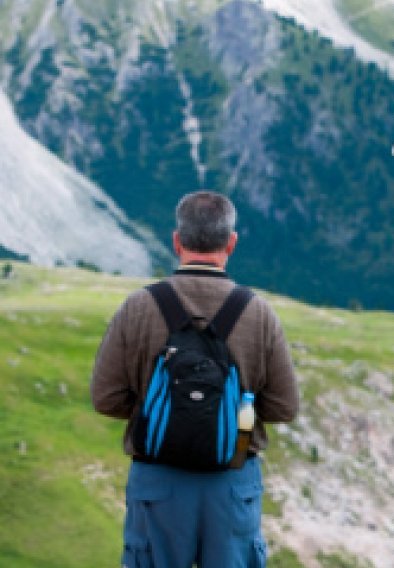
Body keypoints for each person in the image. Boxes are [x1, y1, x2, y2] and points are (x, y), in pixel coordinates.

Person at [91, 191, 299, 567]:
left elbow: (106, 397)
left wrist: (161, 413)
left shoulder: (138, 307)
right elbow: (284, 406)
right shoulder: (258, 312)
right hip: (232, 484)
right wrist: (233, 412)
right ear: (231, 243)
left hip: (158, 485)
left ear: (177, 240)